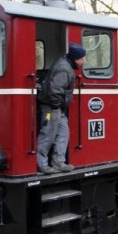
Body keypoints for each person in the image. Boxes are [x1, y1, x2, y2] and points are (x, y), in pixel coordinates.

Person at [37, 43, 86, 174]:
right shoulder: (64, 69)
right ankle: (41, 164)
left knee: (63, 133)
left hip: (57, 108)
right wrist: (55, 106)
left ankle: (58, 162)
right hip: (51, 108)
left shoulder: (65, 64)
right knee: (48, 134)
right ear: (76, 58)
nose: (83, 61)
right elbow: (55, 89)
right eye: (82, 58)